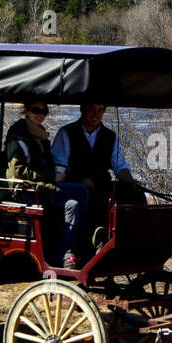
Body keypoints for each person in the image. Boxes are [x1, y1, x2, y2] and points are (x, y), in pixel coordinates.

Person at [4, 101, 88, 268]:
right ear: (26, 110)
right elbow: (18, 171)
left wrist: (58, 174)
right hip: (25, 190)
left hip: (41, 187)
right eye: (36, 110)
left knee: (73, 203)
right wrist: (47, 178)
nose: (41, 114)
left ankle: (69, 251)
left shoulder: (40, 136)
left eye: (45, 110)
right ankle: (77, 246)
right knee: (81, 191)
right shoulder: (18, 136)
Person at [52, 102, 145, 244]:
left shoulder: (110, 136)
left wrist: (131, 182)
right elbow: (59, 171)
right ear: (83, 110)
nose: (95, 115)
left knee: (135, 194)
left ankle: (133, 240)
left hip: (102, 185)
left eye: (100, 110)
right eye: (92, 110)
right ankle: (93, 240)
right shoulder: (66, 133)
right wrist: (79, 180)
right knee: (87, 193)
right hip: (76, 186)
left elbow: (119, 166)